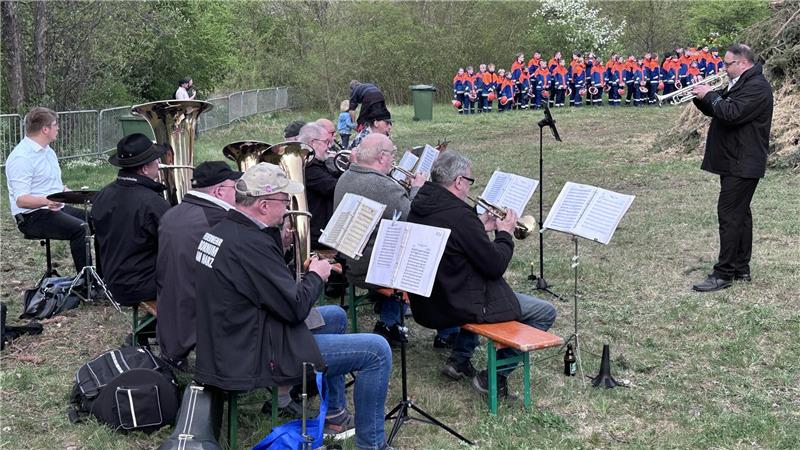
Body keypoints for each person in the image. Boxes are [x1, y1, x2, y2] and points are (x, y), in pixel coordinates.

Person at [193, 162, 394, 450]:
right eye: (284, 201)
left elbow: (265, 290)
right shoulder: (250, 244)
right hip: (250, 354)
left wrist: (284, 249)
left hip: (230, 339)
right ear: (263, 205)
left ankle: (335, 415)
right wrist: (317, 275)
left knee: (335, 316)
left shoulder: (226, 228)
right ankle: (372, 446)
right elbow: (295, 307)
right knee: (377, 350)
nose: (288, 208)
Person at [406, 150, 556, 398]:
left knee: (483, 290)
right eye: (469, 181)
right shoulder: (460, 216)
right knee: (544, 312)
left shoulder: (420, 206)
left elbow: (457, 246)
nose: (469, 187)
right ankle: (494, 377)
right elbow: (495, 265)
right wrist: (505, 234)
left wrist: (479, 229)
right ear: (458, 181)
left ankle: (459, 360)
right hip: (455, 303)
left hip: (431, 298)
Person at [690, 43, 773, 292]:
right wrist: (701, 97)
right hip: (735, 159)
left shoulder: (756, 86)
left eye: (727, 64)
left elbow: (731, 113)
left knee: (729, 216)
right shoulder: (742, 82)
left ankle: (723, 273)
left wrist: (711, 94)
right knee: (740, 216)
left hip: (743, 161)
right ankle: (740, 268)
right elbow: (719, 111)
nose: (723, 68)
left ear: (743, 63)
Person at [333, 133, 425, 344]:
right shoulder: (382, 186)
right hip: (369, 269)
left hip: (348, 261)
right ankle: (390, 323)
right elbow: (413, 217)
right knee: (422, 260)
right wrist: (418, 187)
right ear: (382, 157)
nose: (394, 158)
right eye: (393, 153)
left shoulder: (345, 177)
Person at [155, 161, 241, 371]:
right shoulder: (220, 220)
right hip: (199, 311)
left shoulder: (173, 212)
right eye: (235, 187)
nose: (239, 192)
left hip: (170, 306)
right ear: (219, 191)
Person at [91, 133, 171, 306]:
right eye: (156, 160)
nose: (159, 163)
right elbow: (176, 244)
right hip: (140, 285)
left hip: (113, 282)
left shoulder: (103, 194)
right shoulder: (151, 203)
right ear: (144, 169)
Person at [5, 107, 87, 273]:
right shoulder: (21, 157)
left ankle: (103, 276)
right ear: (45, 129)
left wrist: (74, 194)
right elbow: (21, 199)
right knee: (81, 228)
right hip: (30, 216)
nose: (58, 128)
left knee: (99, 219)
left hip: (53, 208)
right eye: (55, 125)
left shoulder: (48, 151)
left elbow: (53, 185)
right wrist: (48, 201)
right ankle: (86, 283)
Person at [298, 123, 340, 250]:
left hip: (319, 232)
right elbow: (333, 187)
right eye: (326, 142)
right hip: (315, 236)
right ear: (313, 142)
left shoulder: (316, 164)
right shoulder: (308, 167)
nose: (329, 146)